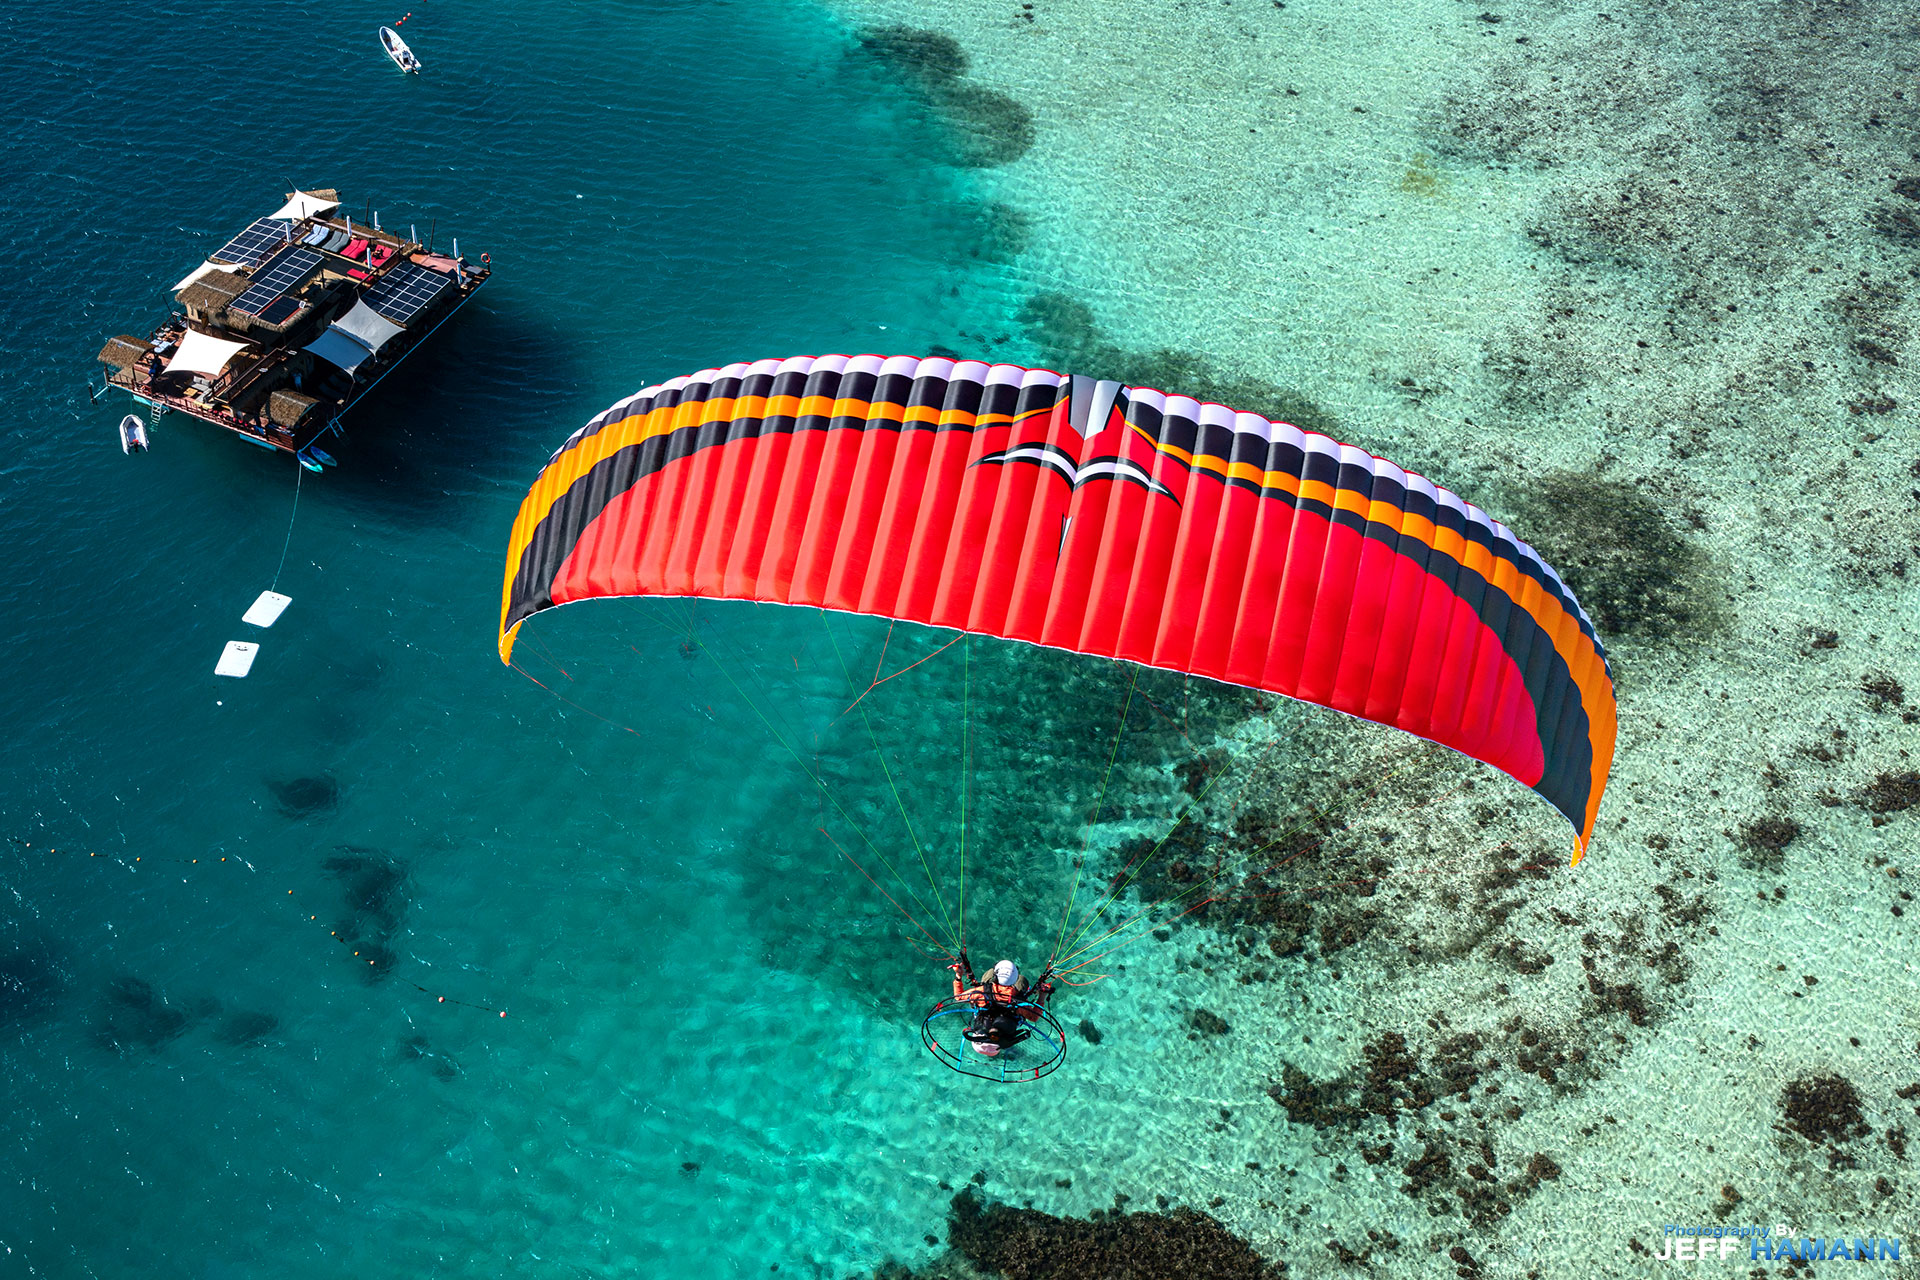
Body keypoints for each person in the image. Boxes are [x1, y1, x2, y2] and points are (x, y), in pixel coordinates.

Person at [947, 954, 1053, 1057]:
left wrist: (958, 976)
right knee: (1022, 981)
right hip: (1000, 1044)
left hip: (977, 1041)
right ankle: (1004, 1051)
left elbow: (958, 997)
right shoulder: (1018, 1001)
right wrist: (1042, 996)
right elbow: (1034, 1018)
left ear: (996, 977)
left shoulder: (981, 992)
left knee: (987, 978)